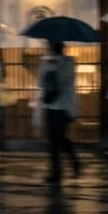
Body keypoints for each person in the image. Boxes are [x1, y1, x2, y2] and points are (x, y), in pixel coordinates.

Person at [39, 40, 79, 184]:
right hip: (51, 104)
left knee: (59, 138)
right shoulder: (46, 62)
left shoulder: (69, 61)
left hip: (64, 105)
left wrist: (53, 69)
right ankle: (65, 167)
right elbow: (41, 82)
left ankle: (60, 172)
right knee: (55, 139)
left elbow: (65, 80)